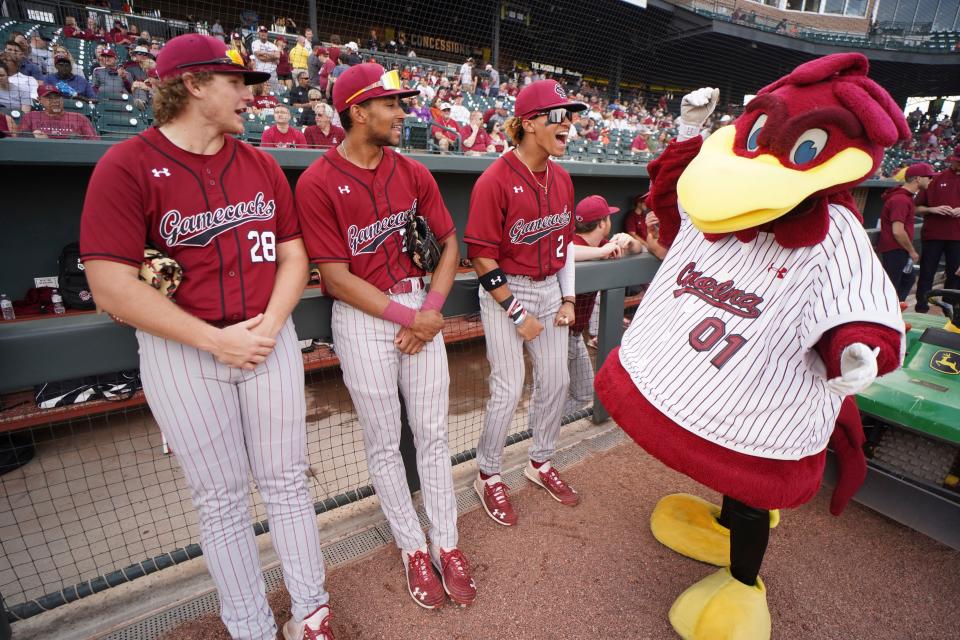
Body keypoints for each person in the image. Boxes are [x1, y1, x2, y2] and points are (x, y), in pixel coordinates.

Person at [78, 34, 333, 640]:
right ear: (192, 85)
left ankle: (311, 610)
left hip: (266, 340)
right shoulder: (126, 165)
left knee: (287, 481)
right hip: (182, 355)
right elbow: (110, 286)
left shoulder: (262, 164)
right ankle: (249, 626)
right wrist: (217, 342)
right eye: (238, 83)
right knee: (220, 499)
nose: (251, 96)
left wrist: (270, 328)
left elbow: (296, 257)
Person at [296, 63, 477, 609]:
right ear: (358, 111)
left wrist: (432, 308)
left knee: (432, 434)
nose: (402, 113)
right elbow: (333, 276)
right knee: (382, 443)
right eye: (391, 104)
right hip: (363, 319)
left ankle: (446, 543)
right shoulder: (317, 181)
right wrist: (411, 320)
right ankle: (411, 547)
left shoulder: (413, 172)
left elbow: (448, 244)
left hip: (418, 302)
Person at [464, 80, 587, 527]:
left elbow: (565, 245)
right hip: (505, 292)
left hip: (550, 287)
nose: (568, 125)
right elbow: (480, 255)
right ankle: (488, 472)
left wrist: (568, 298)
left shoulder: (563, 177)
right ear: (531, 123)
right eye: (558, 117)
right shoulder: (494, 179)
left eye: (570, 117)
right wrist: (518, 314)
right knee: (508, 387)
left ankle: (540, 462)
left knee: (555, 380)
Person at [564, 195, 640, 415]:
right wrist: (602, 252)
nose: (610, 222)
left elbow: (638, 251)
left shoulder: (602, 244)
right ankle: (539, 430)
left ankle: (545, 427)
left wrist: (630, 242)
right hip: (554, 333)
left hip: (575, 334)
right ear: (601, 223)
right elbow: (565, 253)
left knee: (585, 393)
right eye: (608, 218)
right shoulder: (574, 243)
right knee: (547, 393)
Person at [877, 163, 933, 301]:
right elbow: (897, 231)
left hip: (898, 250)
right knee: (891, 288)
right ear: (918, 179)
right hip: (895, 250)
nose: (931, 180)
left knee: (907, 280)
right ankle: (888, 316)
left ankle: (894, 311)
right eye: (929, 177)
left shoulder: (904, 197)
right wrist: (912, 251)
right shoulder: (901, 199)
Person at [914, 144, 960, 311]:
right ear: (953, 160)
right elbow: (916, 207)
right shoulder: (937, 179)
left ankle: (949, 307)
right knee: (927, 272)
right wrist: (932, 209)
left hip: (957, 237)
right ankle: (921, 305)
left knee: (955, 275)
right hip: (934, 234)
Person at [251, 26, 280, 90]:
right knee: (261, 91)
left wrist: (264, 53)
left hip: (272, 72)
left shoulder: (273, 45)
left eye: (265, 32)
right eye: (261, 32)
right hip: (260, 72)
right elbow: (260, 57)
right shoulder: (255, 43)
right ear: (258, 33)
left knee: (274, 92)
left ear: (267, 33)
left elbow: (277, 59)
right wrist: (272, 56)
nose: (263, 33)